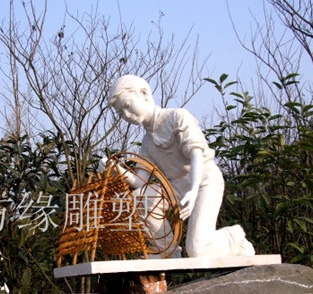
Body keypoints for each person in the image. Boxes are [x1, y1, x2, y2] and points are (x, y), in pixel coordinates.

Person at [107, 75, 255, 258]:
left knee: (198, 250)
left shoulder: (177, 117)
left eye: (127, 105)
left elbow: (196, 153)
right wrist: (117, 170)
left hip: (204, 181)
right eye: (121, 113)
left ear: (144, 94)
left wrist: (193, 189)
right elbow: (140, 183)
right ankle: (168, 250)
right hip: (175, 187)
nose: (126, 115)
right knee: (138, 198)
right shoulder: (147, 142)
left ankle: (234, 239)